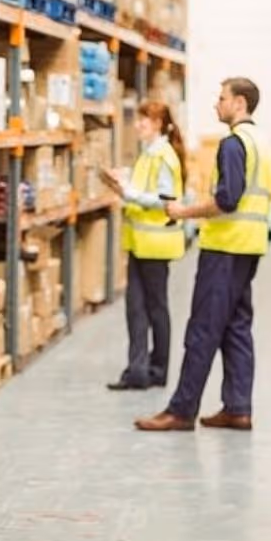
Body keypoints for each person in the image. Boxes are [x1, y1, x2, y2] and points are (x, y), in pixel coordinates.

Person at [134, 77, 271, 432]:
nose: (217, 104)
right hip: (248, 247)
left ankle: (181, 411)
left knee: (202, 330)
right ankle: (238, 408)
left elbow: (227, 200)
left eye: (222, 98)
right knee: (236, 328)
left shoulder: (233, 144)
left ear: (239, 103)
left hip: (224, 249)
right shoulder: (261, 141)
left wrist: (182, 212)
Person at [105, 101, 187, 391]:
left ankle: (158, 369)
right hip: (140, 243)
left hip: (156, 243)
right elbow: (144, 189)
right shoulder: (148, 154)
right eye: (139, 119)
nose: (138, 124)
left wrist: (128, 193)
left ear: (159, 124)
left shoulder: (163, 155)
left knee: (156, 308)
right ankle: (137, 371)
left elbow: (165, 198)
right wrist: (124, 182)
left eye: (145, 120)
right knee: (135, 308)